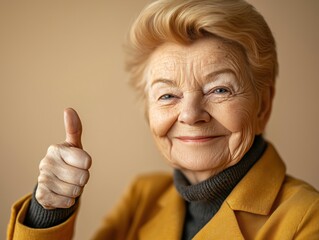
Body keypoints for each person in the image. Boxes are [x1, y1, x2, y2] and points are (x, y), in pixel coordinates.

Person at [7, 0, 319, 239]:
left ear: (263, 104)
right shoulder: (143, 196)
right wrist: (48, 211)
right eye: (167, 95)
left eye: (219, 89)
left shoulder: (307, 217)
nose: (191, 115)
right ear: (148, 111)